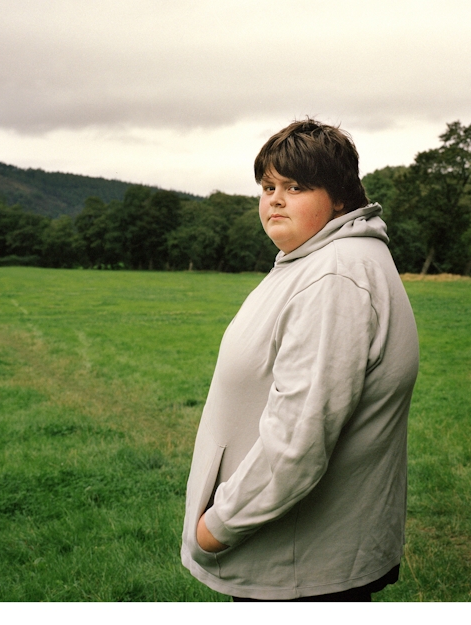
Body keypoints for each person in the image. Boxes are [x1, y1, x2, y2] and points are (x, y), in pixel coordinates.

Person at [180, 119, 419, 601]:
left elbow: (299, 439)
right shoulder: (320, 261)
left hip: (298, 565)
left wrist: (218, 526)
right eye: (268, 186)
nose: (275, 199)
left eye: (296, 186)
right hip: (298, 557)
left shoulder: (333, 277)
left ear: (340, 199)